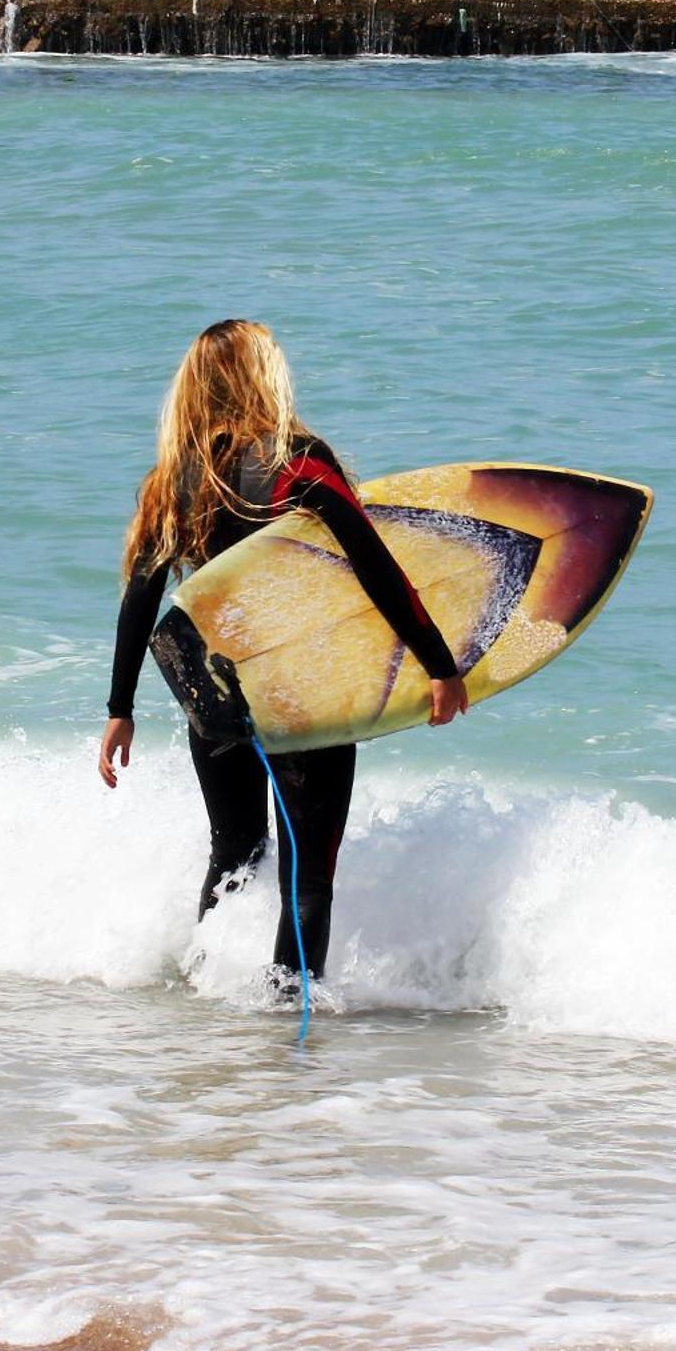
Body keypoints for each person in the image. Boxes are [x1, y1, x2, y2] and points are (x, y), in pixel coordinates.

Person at [97, 319, 470, 980]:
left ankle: (203, 991)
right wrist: (439, 665)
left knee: (233, 853)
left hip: (215, 698)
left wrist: (120, 706)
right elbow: (377, 568)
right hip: (302, 694)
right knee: (307, 879)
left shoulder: (177, 480)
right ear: (265, 377)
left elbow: (141, 596)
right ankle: (283, 1031)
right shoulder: (294, 462)